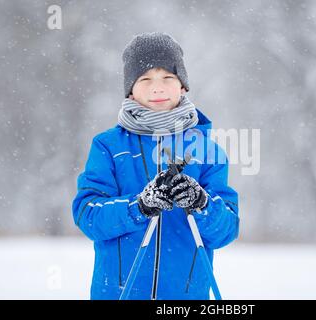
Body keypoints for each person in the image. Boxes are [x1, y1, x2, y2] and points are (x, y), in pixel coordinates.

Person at [72, 32, 239, 300]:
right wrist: (138, 207)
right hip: (118, 293)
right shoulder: (108, 146)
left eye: (167, 78)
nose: (157, 87)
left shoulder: (207, 151)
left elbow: (227, 230)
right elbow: (88, 216)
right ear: (130, 89)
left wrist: (202, 204)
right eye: (145, 79)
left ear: (183, 86)